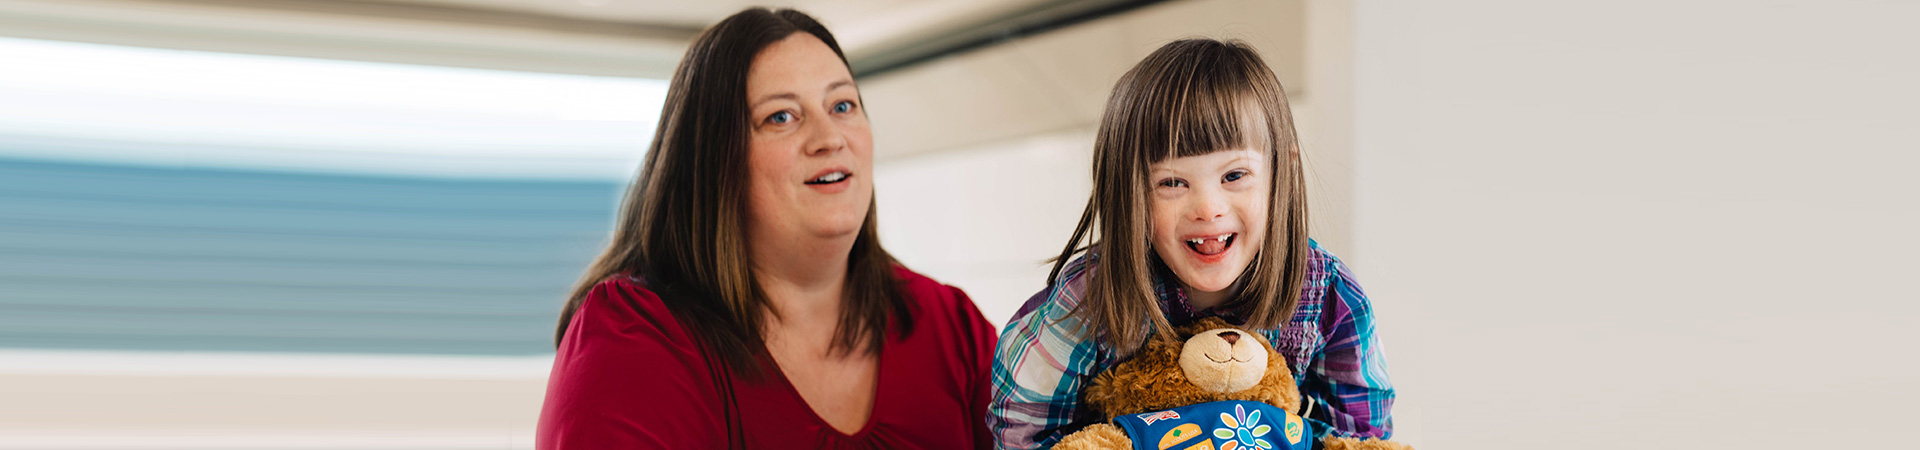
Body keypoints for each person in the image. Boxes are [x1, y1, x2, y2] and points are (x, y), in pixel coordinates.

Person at [537, 8, 997, 449]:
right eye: (781, 117)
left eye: (842, 105)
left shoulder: (952, 329)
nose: (830, 138)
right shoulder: (635, 338)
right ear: (714, 162)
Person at [987, 39, 1397, 449]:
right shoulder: (1088, 301)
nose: (1208, 208)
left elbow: (1362, 436)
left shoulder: (1330, 295)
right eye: (1172, 182)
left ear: (1281, 175)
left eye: (1234, 176)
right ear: (1128, 193)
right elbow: (1023, 429)